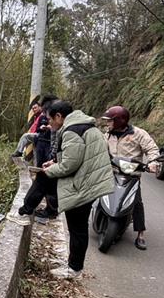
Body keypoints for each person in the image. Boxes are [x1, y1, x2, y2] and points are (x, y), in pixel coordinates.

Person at [11, 101, 114, 280]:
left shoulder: (72, 130)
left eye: (50, 119)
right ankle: (74, 267)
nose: (49, 123)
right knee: (79, 227)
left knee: (45, 179)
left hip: (83, 184)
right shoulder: (84, 126)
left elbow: (69, 165)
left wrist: (50, 168)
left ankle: (25, 213)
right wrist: (55, 163)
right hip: (89, 181)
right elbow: (76, 156)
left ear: (59, 116)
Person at [102, 105, 160, 251]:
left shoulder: (138, 133)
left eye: (110, 120)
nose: (107, 123)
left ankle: (140, 234)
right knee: (96, 191)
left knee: (136, 202)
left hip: (131, 174)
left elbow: (152, 149)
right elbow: (101, 147)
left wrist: (153, 162)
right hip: (112, 171)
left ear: (120, 120)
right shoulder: (108, 133)